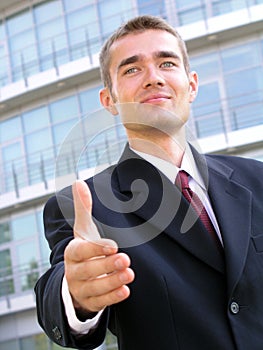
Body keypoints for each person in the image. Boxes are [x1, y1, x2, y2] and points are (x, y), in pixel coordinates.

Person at [35, 15, 263, 350]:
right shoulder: (84, 204)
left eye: (167, 63)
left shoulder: (257, 180)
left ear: (192, 84)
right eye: (131, 69)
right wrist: (74, 295)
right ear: (109, 100)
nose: (153, 78)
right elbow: (61, 288)